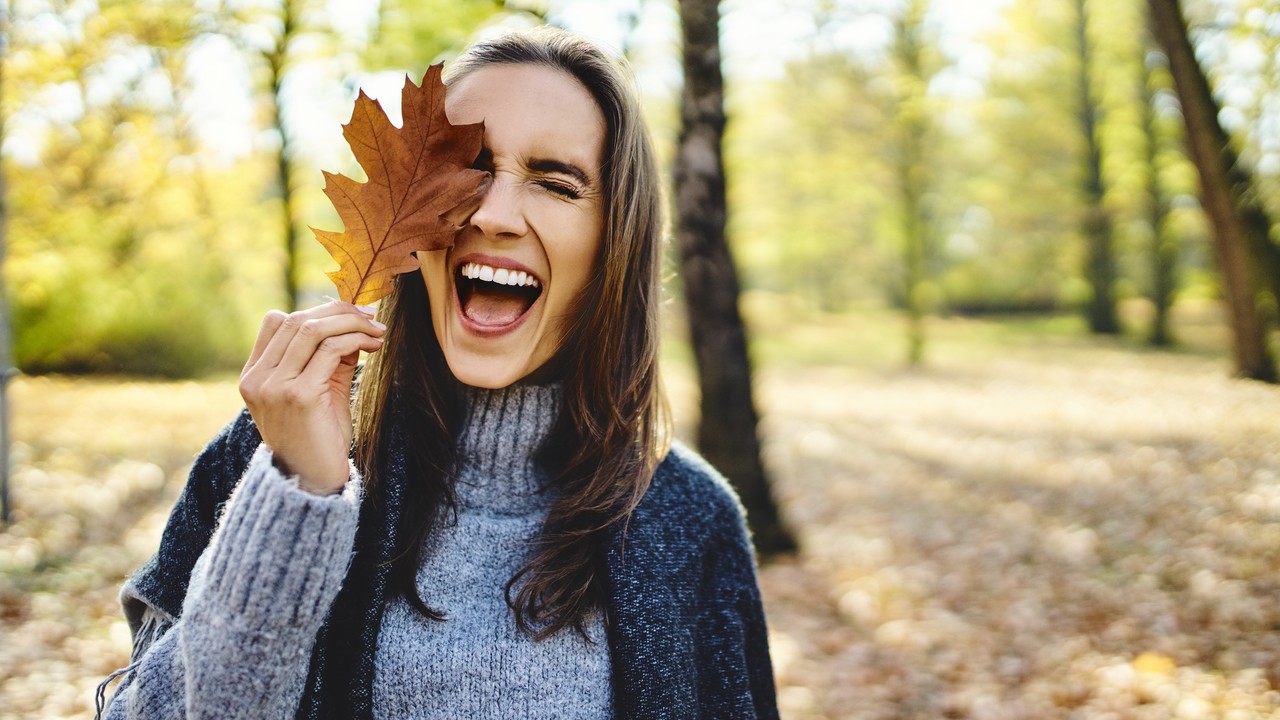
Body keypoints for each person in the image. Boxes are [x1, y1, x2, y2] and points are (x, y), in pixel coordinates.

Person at [97, 26, 778, 719]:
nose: (493, 212)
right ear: (408, 214)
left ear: (615, 243)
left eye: (555, 182)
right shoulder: (268, 453)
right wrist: (297, 497)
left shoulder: (690, 519)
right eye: (470, 167)